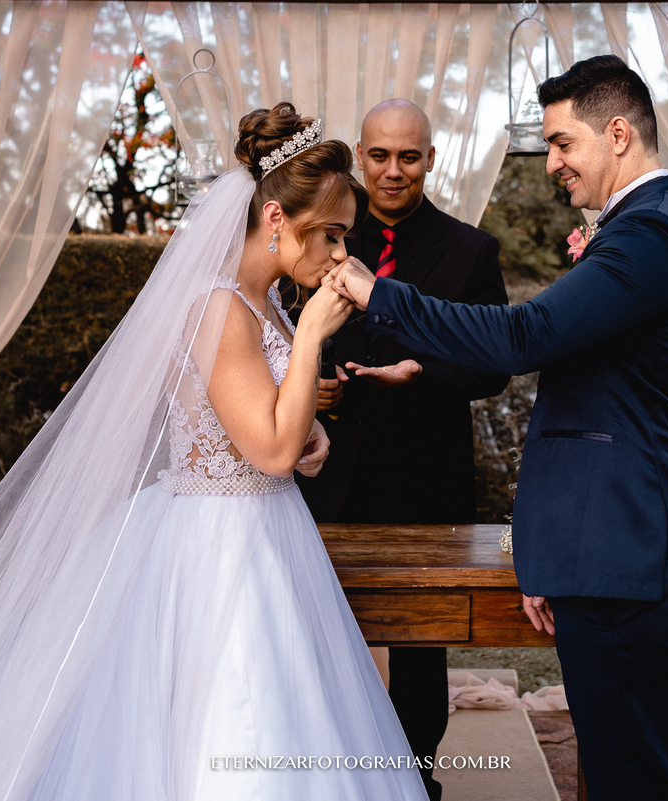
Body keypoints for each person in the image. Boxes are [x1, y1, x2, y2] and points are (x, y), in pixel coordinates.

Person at [0, 104, 430, 801]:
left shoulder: (266, 303)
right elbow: (267, 448)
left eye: (343, 238)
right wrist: (306, 353)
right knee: (233, 715)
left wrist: (308, 432)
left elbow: (269, 428)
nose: (338, 255)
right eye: (328, 234)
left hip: (269, 533)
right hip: (219, 547)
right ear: (274, 217)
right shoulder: (218, 306)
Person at [328, 55, 668, 801]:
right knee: (620, 771)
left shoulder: (653, 237)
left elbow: (525, 336)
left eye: (563, 144)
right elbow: (589, 411)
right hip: (601, 551)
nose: (553, 164)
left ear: (617, 134)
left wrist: (381, 296)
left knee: (642, 777)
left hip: (624, 551)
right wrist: (550, 549)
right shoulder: (642, 230)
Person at [294, 98, 509, 801]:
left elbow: (494, 364)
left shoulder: (472, 251)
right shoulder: (319, 241)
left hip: (424, 478)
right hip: (328, 477)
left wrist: (425, 375)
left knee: (421, 650)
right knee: (316, 634)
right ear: (360, 155)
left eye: (408, 156)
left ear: (431, 159)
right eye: (380, 156)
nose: (393, 171)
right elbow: (279, 335)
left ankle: (417, 781)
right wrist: (311, 388)